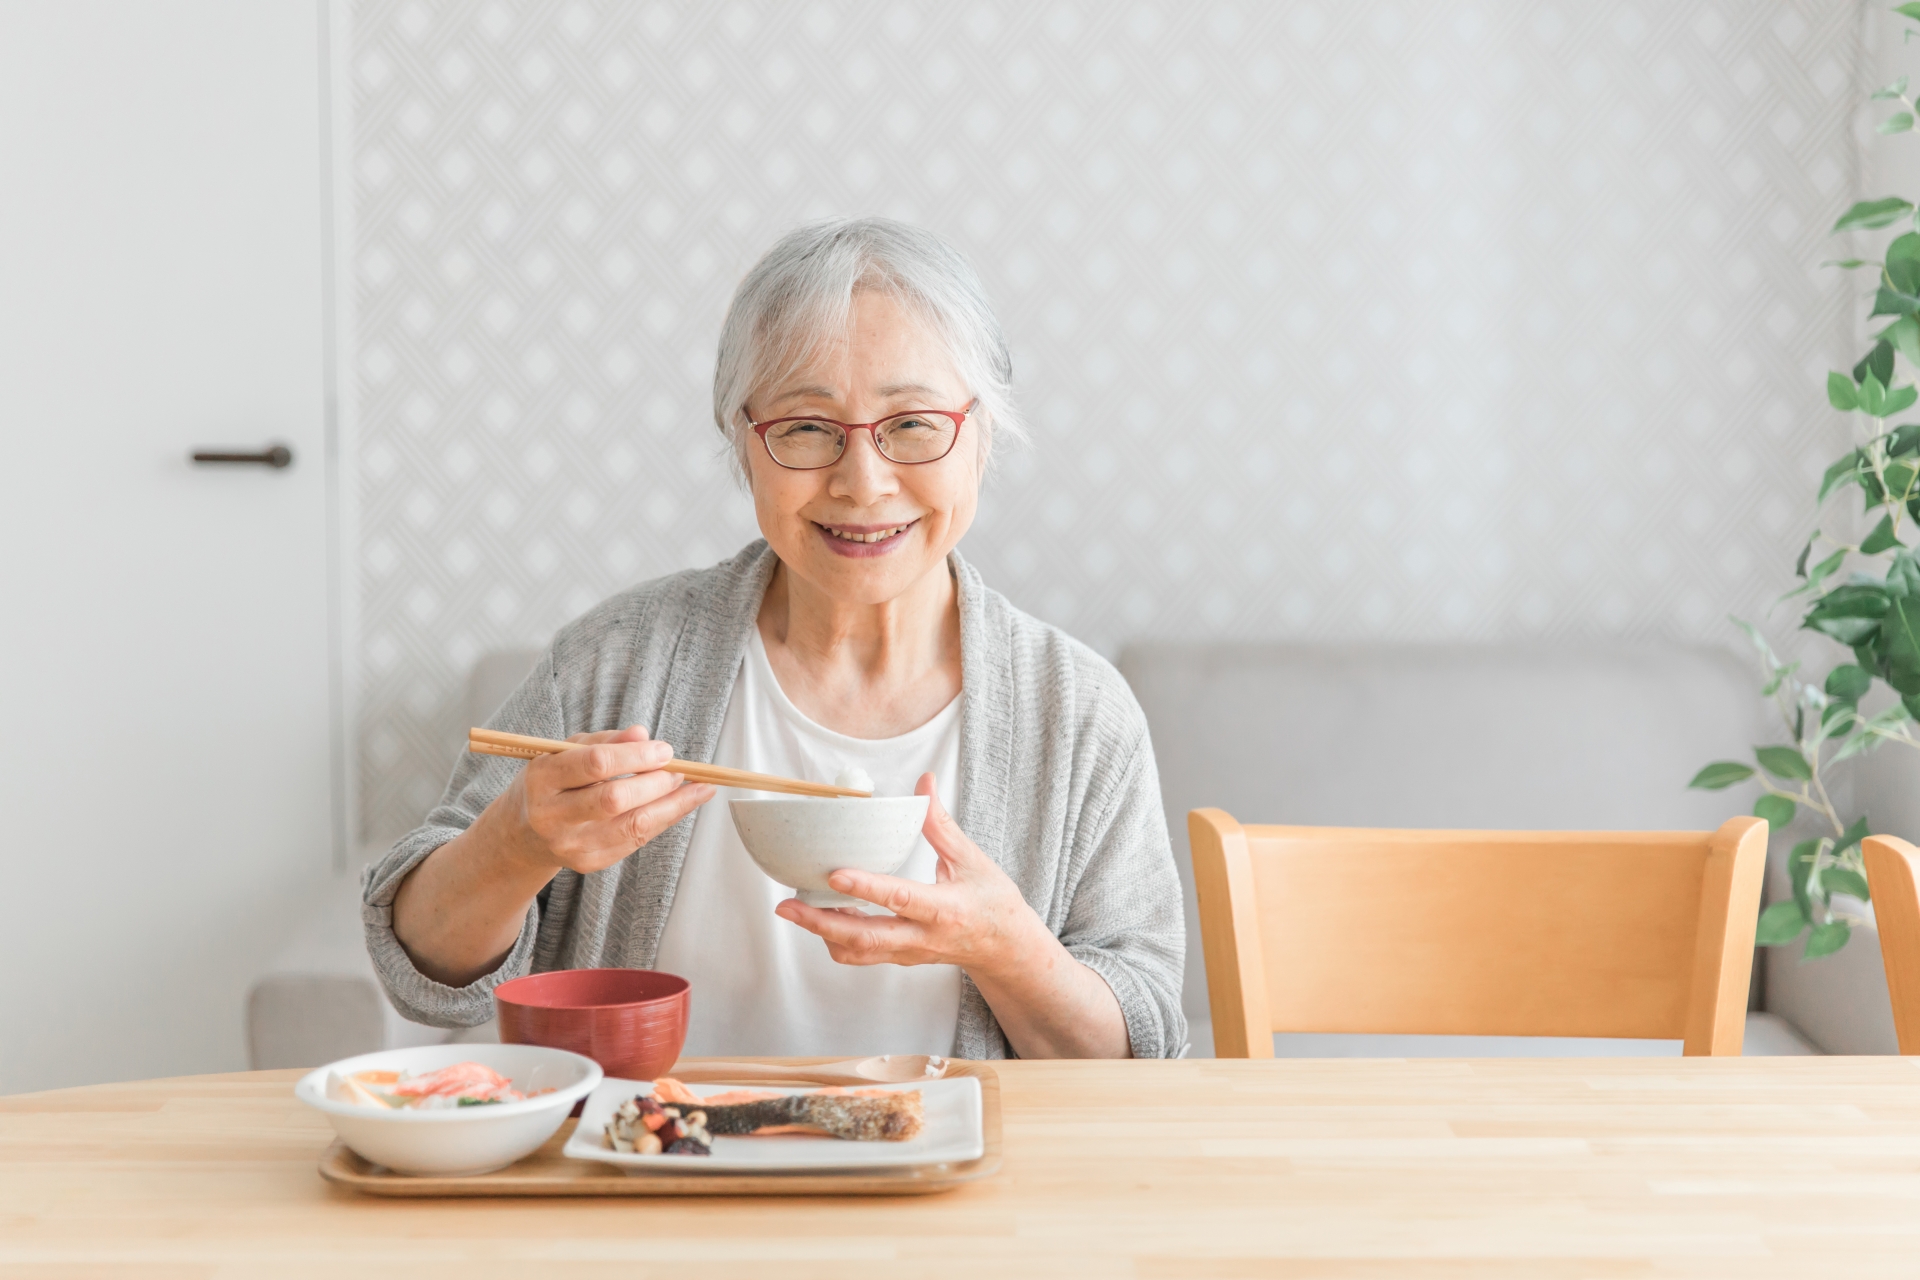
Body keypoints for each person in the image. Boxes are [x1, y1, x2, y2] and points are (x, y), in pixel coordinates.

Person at [363, 217, 1186, 1060]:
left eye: (911, 424)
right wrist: (517, 842)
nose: (862, 483)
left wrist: (1007, 948)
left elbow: (1142, 1051)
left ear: (981, 437)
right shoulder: (618, 662)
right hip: (654, 1179)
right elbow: (419, 967)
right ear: (743, 442)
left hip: (952, 1186)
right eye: (805, 428)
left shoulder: (1077, 712)